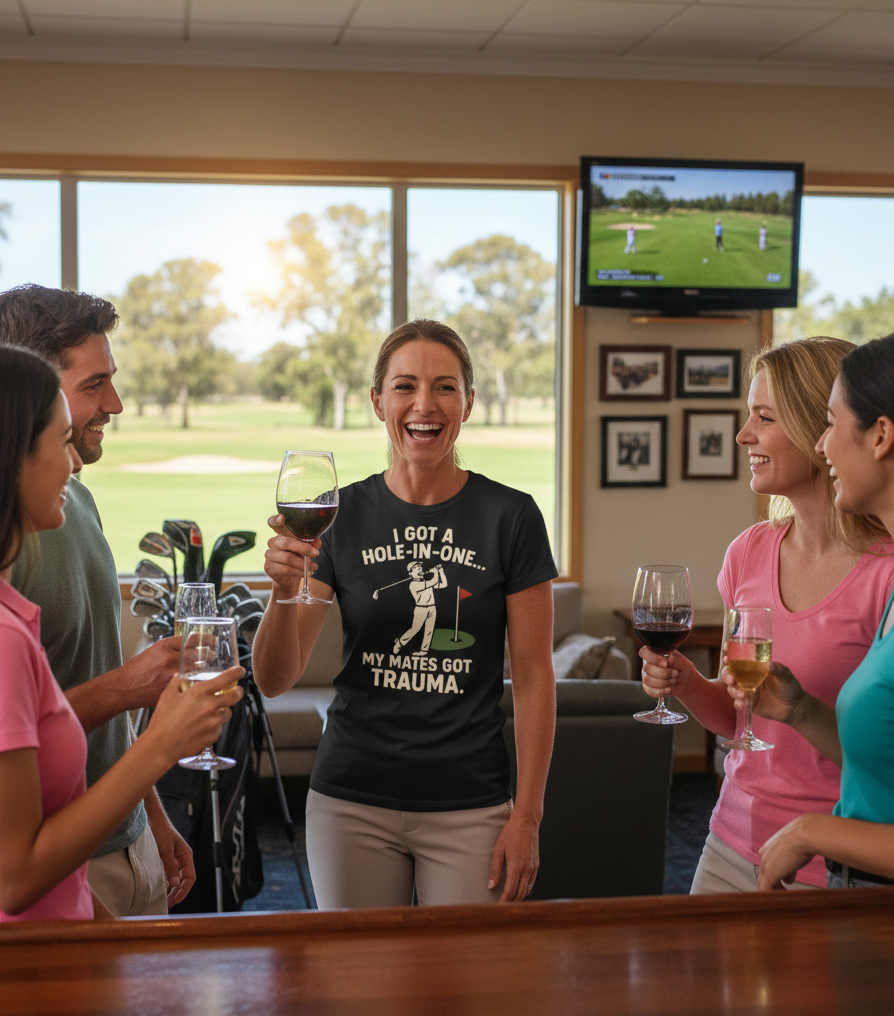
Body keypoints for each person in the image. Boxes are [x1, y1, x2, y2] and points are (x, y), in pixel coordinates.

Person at [253, 318, 557, 908]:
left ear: (467, 404)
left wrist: (528, 816)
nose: (425, 404)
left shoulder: (511, 517)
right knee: (359, 990)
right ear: (377, 401)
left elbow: (535, 678)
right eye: (404, 386)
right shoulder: (339, 516)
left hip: (471, 803)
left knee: (467, 992)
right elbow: (274, 678)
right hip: (350, 800)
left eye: (446, 387)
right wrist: (282, 589)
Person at [640, 337, 894, 892]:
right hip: (730, 836)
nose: (743, 435)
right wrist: (687, 683)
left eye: (764, 417)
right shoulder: (747, 552)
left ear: (816, 428)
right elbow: (742, 720)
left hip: (829, 859)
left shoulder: (886, 573)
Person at [0, 344, 242, 922]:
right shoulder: (6, 640)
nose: (76, 464)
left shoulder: (16, 616)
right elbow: (14, 883)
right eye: (61, 442)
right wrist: (162, 744)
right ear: (13, 455)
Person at [734, 333, 894, 890]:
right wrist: (799, 710)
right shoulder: (749, 549)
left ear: (879, 436)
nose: (824, 446)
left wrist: (810, 832)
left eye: (830, 423)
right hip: (805, 863)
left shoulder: (885, 572)